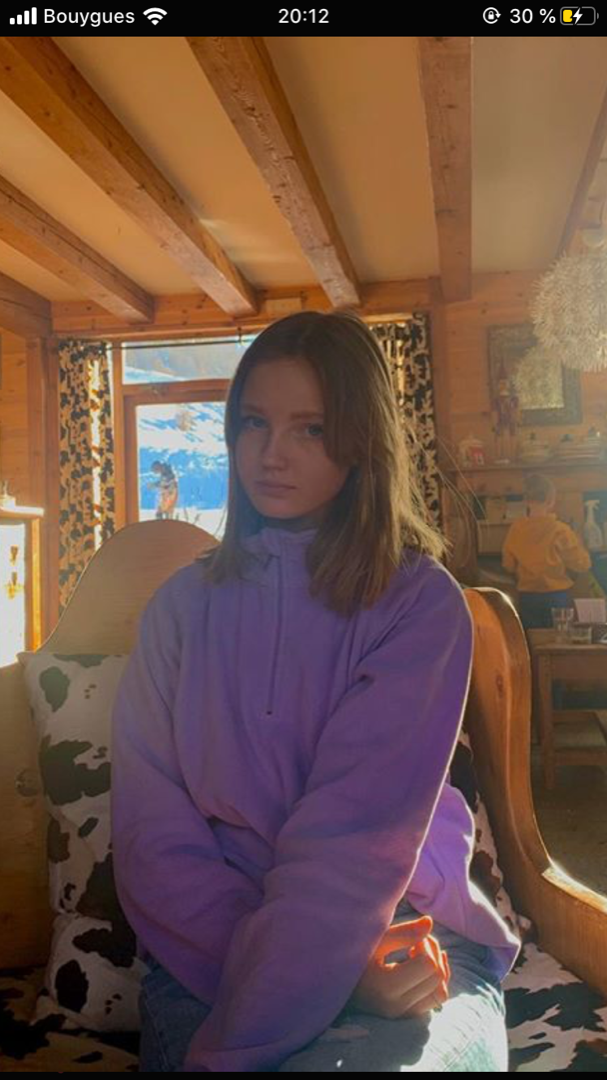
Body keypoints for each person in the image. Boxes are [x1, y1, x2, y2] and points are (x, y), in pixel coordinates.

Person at [111, 311, 520, 1073]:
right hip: (213, 951)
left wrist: (336, 972)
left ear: (362, 441)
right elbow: (152, 839)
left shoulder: (418, 604)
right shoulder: (176, 610)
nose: (271, 454)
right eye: (254, 422)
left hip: (405, 935)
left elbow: (357, 836)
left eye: (311, 428)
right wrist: (289, 980)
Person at [502, 473, 591, 630]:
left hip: (528, 597)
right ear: (551, 500)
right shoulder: (560, 530)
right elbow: (582, 564)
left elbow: (508, 565)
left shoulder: (516, 529)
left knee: (532, 640)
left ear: (526, 500)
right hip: (557, 596)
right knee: (558, 640)